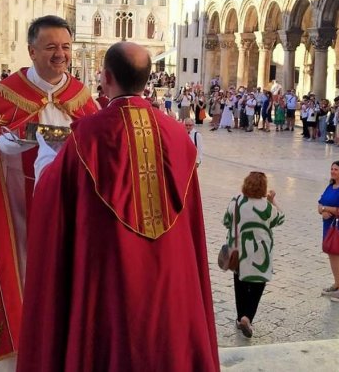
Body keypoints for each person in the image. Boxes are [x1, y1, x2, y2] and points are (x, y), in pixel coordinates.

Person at [17, 41, 219, 371]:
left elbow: (50, 198)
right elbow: (192, 222)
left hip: (110, 281)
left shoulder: (86, 135)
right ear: (147, 79)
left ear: (106, 77)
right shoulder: (177, 134)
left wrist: (44, 157)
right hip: (172, 279)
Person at [0, 15, 100, 372]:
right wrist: (4, 144)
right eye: (51, 47)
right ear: (31, 51)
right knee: (23, 282)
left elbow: (98, 146)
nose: (60, 55)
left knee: (63, 283)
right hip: (15, 214)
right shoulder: (5, 94)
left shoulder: (81, 96)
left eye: (65, 47)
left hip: (67, 213)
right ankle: (15, 361)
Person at [224, 172, 285, 338]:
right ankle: (248, 317)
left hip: (239, 251)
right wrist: (272, 201)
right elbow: (280, 218)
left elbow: (226, 221)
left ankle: (240, 318)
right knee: (258, 285)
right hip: (260, 253)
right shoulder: (266, 207)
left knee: (240, 283)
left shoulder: (236, 201)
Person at [317, 161, 339, 302]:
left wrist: (326, 209)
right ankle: (337, 283)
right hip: (328, 225)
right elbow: (320, 203)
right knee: (331, 254)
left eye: (336, 169)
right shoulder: (330, 186)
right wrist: (322, 210)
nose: (332, 171)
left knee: (336, 254)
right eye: (332, 169)